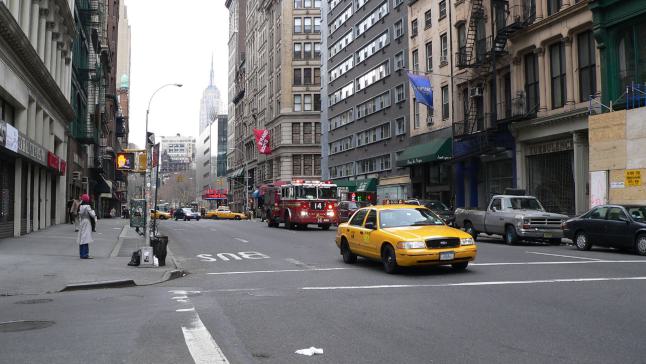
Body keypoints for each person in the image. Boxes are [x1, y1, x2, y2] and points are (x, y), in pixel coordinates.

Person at [77, 194, 97, 259]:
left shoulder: (80, 206)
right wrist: (93, 211)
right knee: (86, 238)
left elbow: (79, 214)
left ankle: (81, 254)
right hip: (87, 221)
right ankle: (85, 254)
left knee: (81, 238)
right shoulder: (87, 206)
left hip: (82, 222)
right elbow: (93, 215)